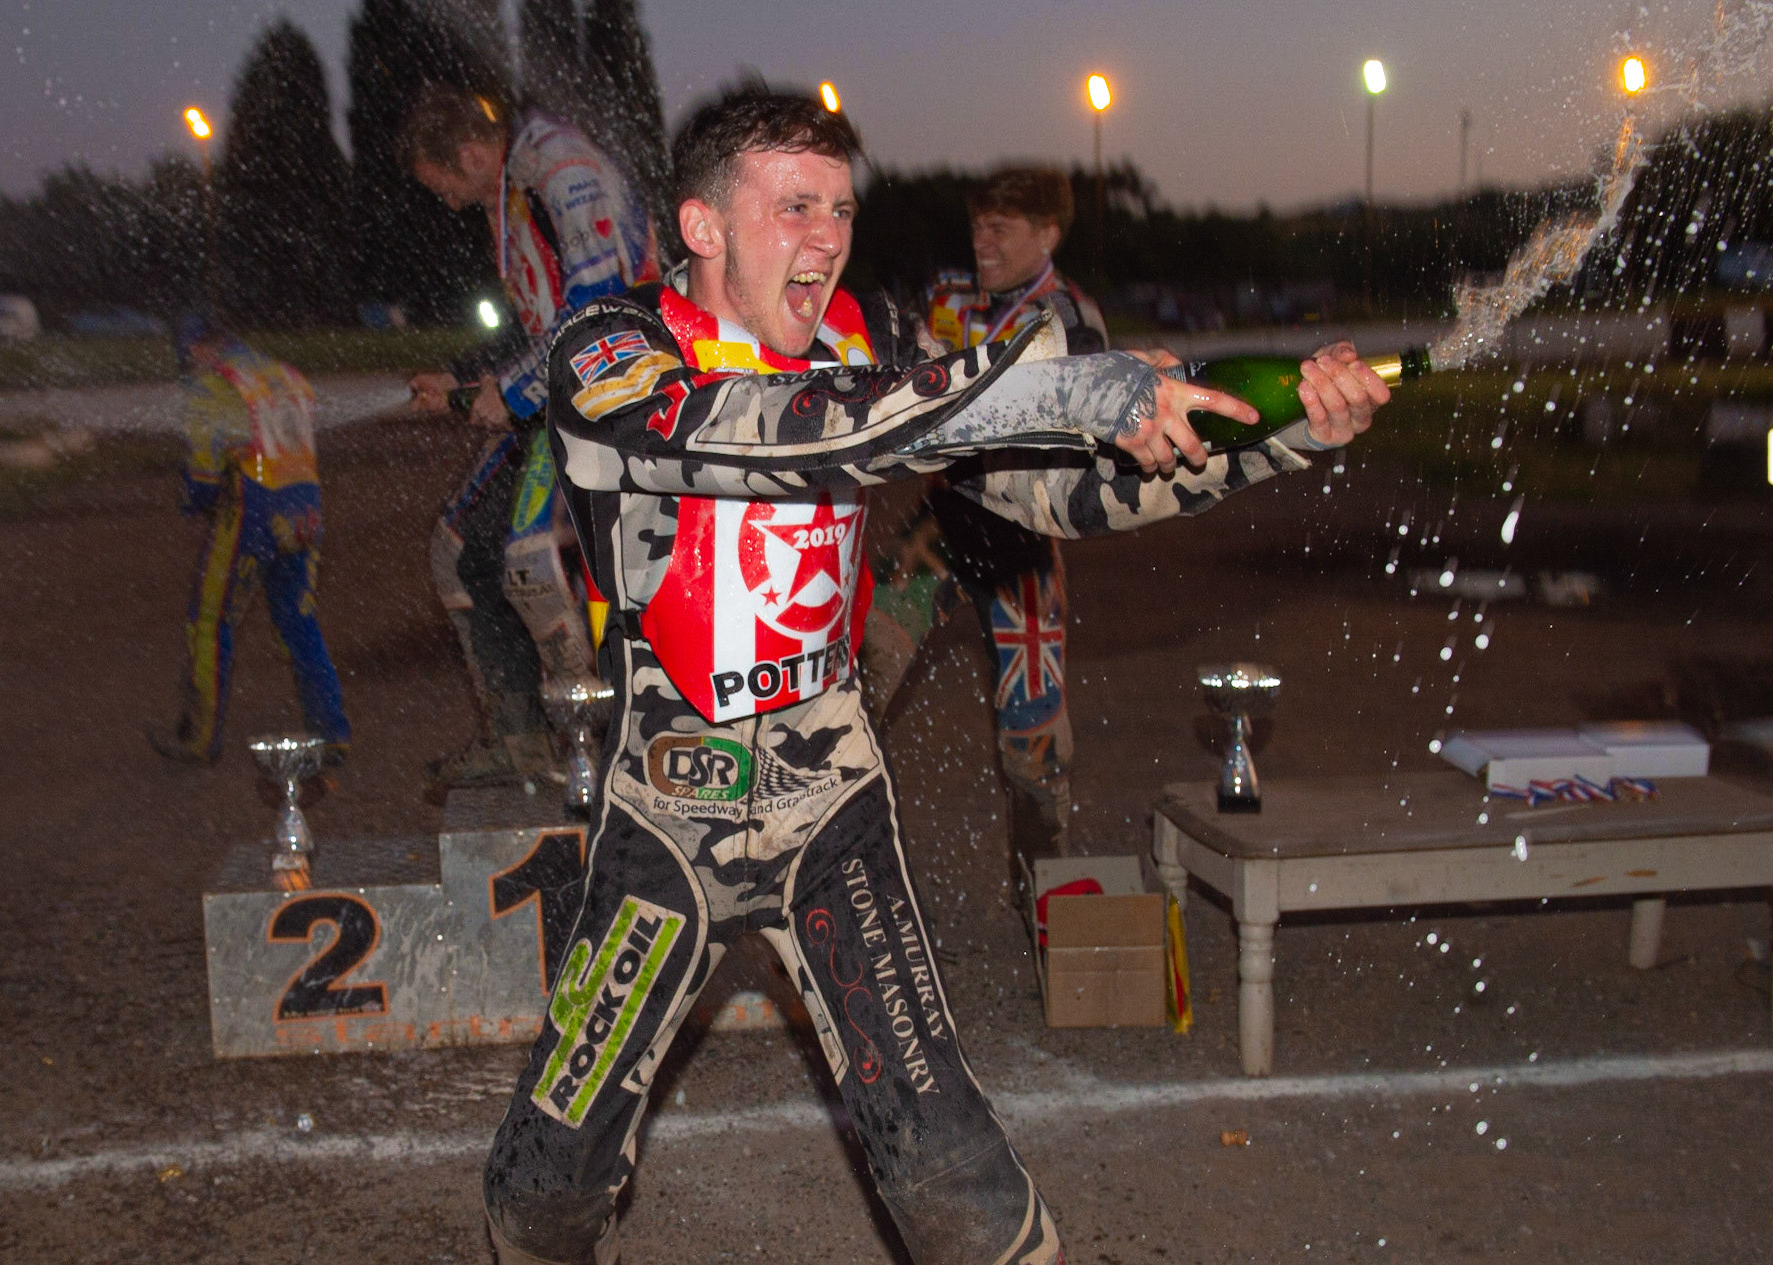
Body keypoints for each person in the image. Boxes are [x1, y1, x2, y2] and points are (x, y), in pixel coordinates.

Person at [485, 85, 1389, 1265]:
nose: (825, 241)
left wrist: (1275, 434)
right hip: (667, 814)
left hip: (829, 806)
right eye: (793, 207)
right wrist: (1052, 387)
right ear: (701, 227)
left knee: (952, 1178)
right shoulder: (611, 352)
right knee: (540, 1193)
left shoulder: (868, 345)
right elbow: (780, 429)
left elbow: (1047, 492)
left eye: (843, 211)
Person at [401, 85, 659, 793]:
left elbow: (601, 303)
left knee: (525, 556)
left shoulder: (556, 170)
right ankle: (519, 741)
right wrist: (458, 376)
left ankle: (603, 744)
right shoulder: (514, 189)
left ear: (473, 153)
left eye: (446, 185)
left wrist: (509, 391)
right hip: (562, 401)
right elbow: (534, 321)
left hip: (618, 401)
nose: (449, 203)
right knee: (457, 549)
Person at [864, 166, 1109, 888]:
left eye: (1001, 228)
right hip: (943, 523)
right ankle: (827, 859)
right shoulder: (947, 298)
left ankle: (1044, 887)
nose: (983, 241)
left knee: (1030, 743)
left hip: (1020, 539)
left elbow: (1084, 424)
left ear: (1048, 234)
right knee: (861, 672)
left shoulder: (1070, 316)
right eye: (977, 225)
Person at [150, 316, 350, 765]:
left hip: (252, 508)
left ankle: (199, 739)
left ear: (199, 348)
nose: (186, 367)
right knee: (299, 622)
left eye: (186, 357)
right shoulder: (286, 374)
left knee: (209, 622)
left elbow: (203, 472)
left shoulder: (212, 384)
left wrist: (193, 498)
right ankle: (332, 730)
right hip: (307, 507)